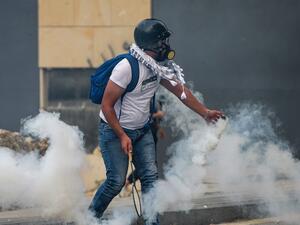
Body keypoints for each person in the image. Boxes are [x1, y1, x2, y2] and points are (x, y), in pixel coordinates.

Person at [89, 18, 224, 225]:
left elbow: (181, 91)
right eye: (162, 41)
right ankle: (88, 218)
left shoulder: (157, 66)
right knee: (116, 182)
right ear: (151, 43)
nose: (166, 45)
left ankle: (153, 223)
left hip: (142, 132)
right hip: (115, 131)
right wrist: (122, 135)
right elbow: (106, 106)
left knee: (150, 180)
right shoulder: (127, 67)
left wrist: (205, 113)